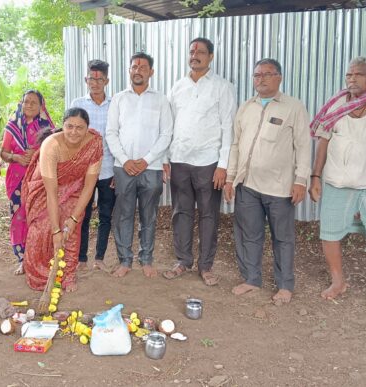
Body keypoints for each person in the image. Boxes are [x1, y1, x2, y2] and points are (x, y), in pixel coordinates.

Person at [308, 57, 366, 309]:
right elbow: (323, 141)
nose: (352, 79)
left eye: (358, 74)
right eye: (349, 75)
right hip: (336, 182)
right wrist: (315, 176)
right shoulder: (336, 103)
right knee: (329, 233)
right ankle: (338, 281)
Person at [224, 59, 311, 303]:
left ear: (279, 77)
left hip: (280, 187)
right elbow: (235, 145)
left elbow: (304, 145)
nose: (260, 79)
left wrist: (301, 180)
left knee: (282, 237)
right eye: (256, 75)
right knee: (249, 235)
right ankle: (251, 279)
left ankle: (285, 285)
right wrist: (230, 178)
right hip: (248, 185)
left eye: (266, 74)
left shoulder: (293, 107)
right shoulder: (246, 107)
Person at [162, 37, 236, 287]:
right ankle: (183, 260)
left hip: (208, 163)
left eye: (201, 52)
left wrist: (223, 164)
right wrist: (166, 158)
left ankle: (206, 266)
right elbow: (168, 125)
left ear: (211, 57)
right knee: (181, 213)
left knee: (208, 215)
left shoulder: (222, 87)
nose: (195, 55)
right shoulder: (178, 87)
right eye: (192, 51)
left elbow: (228, 127)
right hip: (180, 159)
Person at [106, 52, 174, 278]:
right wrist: (125, 161)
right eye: (134, 66)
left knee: (149, 215)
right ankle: (125, 260)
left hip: (151, 168)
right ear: (129, 71)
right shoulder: (119, 99)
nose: (138, 70)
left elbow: (166, 134)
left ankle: (146, 259)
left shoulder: (161, 100)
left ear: (151, 72)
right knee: (123, 215)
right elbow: (111, 133)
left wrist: (146, 160)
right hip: (123, 167)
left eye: (143, 67)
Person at [22, 108, 104, 292]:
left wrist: (74, 219)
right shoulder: (51, 145)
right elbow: (52, 193)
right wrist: (55, 230)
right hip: (45, 189)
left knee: (71, 232)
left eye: (80, 128)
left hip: (75, 186)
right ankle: (39, 275)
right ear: (63, 126)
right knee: (41, 230)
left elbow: (89, 186)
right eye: (70, 126)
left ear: (87, 129)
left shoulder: (94, 144)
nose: (74, 132)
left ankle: (67, 275)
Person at [0, 90, 54, 275]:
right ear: (21, 104)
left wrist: (37, 155)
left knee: (38, 217)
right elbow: (4, 153)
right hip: (16, 180)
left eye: (34, 102)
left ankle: (38, 257)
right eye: (26, 102)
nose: (29, 105)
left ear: (41, 106)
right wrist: (16, 157)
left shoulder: (48, 128)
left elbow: (55, 152)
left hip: (39, 180)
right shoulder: (12, 127)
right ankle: (22, 259)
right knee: (19, 218)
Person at [70, 59, 115, 272]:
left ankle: (99, 257)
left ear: (106, 80)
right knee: (82, 214)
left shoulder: (115, 105)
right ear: (86, 79)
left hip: (107, 170)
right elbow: (69, 136)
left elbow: (119, 138)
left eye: (100, 79)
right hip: (82, 172)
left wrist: (117, 170)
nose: (95, 83)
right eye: (91, 78)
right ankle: (81, 258)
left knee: (106, 215)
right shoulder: (77, 105)